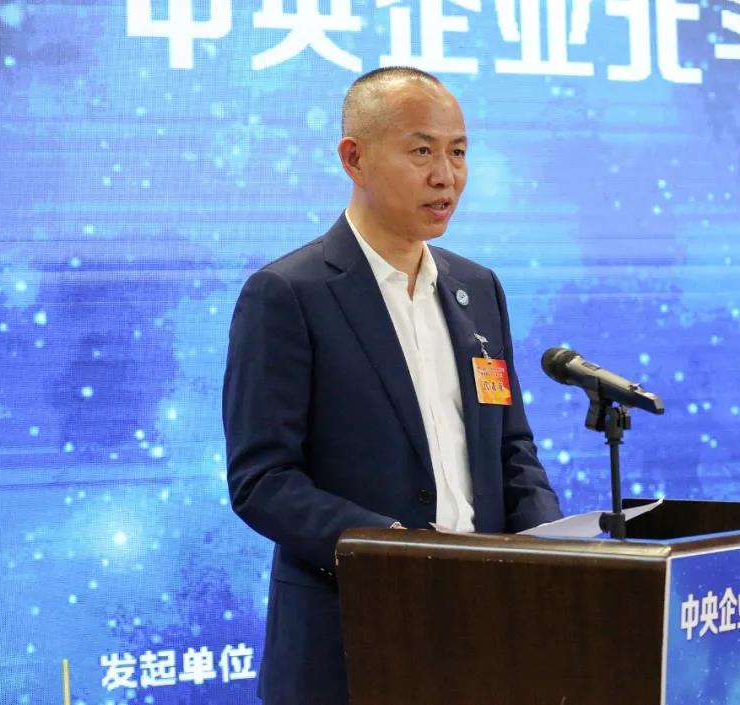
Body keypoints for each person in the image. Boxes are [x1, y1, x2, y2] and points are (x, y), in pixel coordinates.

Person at [222, 67, 562, 705]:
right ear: (354, 158)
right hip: (350, 634)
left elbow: (511, 448)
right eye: (422, 151)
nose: (446, 176)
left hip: (486, 631)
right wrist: (393, 552)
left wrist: (549, 549)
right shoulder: (288, 294)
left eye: (458, 152)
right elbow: (262, 480)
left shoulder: (478, 289)